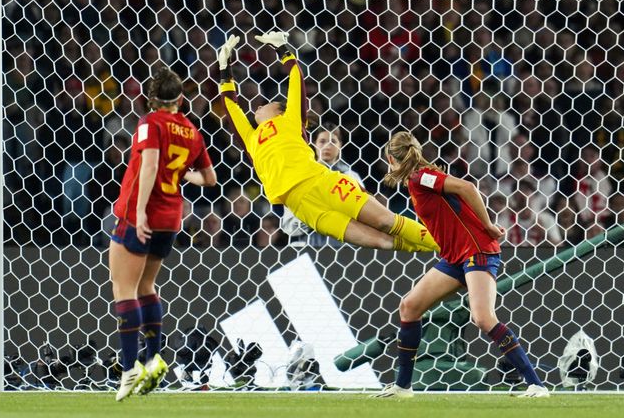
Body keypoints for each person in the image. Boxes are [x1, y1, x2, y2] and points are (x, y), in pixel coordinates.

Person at [216, 31, 439, 254]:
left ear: (280, 111)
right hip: (302, 207)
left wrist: (282, 49)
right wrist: (224, 69)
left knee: (385, 221)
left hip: (322, 184)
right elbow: (231, 107)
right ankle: (439, 252)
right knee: (379, 241)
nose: (258, 107)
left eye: (266, 104)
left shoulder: (290, 120)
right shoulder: (251, 138)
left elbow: (296, 79)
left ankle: (450, 244)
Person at [373, 131, 549, 398]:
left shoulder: (423, 177)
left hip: (476, 251)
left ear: (389, 158)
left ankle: (536, 384)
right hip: (456, 257)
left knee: (483, 317)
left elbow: (467, 187)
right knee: (409, 306)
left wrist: (488, 225)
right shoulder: (416, 180)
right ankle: (403, 387)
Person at [109, 68, 217, 401]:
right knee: (146, 286)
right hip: (171, 218)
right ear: (181, 99)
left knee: (123, 287)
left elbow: (151, 165)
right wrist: (185, 175)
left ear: (150, 99)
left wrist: (140, 211)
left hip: (140, 214)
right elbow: (209, 179)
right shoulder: (191, 132)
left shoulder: (149, 123)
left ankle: (129, 370)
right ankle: (154, 358)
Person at [280, 125, 366, 247]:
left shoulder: (351, 177)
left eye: (333, 141)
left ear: (340, 145)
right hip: (309, 246)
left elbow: (364, 215)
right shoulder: (301, 177)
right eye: (322, 141)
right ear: (314, 144)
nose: (327, 146)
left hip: (344, 247)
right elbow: (289, 227)